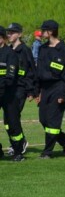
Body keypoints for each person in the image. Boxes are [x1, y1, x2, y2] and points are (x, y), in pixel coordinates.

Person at [35, 20, 65, 158]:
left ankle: (47, 151)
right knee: (43, 119)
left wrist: (63, 93)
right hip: (45, 89)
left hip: (58, 86)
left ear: (50, 31)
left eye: (43, 30)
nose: (41, 32)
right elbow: (39, 71)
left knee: (53, 120)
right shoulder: (42, 48)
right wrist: (37, 91)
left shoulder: (63, 49)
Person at [5, 23, 34, 161]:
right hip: (9, 89)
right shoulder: (8, 50)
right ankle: (18, 142)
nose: (9, 35)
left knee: (13, 119)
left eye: (12, 32)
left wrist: (31, 90)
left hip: (20, 88)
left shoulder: (25, 50)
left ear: (20, 34)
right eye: (8, 33)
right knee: (8, 121)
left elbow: (30, 70)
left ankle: (19, 144)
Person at [0, 26, 21, 161]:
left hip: (8, 95)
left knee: (13, 124)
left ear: (2, 38)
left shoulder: (10, 53)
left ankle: (18, 151)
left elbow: (11, 75)